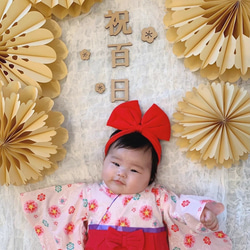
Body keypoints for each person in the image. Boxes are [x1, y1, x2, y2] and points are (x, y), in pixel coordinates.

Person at [20, 100, 232, 250]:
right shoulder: (89, 193)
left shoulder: (157, 196)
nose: (121, 173)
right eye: (115, 163)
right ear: (104, 160)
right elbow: (62, 210)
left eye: (134, 170)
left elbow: (179, 208)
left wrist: (201, 214)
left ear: (150, 177)